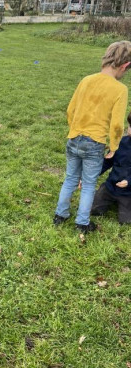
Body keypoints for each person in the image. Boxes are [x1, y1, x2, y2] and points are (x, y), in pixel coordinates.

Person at [53, 41, 131, 233]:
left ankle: (60, 215)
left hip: (74, 137)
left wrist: (75, 130)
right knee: (88, 185)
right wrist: (114, 147)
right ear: (125, 66)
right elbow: (117, 125)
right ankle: (82, 223)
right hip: (95, 144)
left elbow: (70, 110)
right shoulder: (120, 89)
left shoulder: (86, 80)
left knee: (70, 178)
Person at [91, 113, 131, 224]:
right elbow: (107, 161)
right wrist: (93, 174)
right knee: (94, 210)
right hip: (111, 187)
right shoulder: (120, 143)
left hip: (128, 192)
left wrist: (129, 181)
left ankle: (124, 204)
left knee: (126, 221)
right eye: (130, 126)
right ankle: (107, 197)